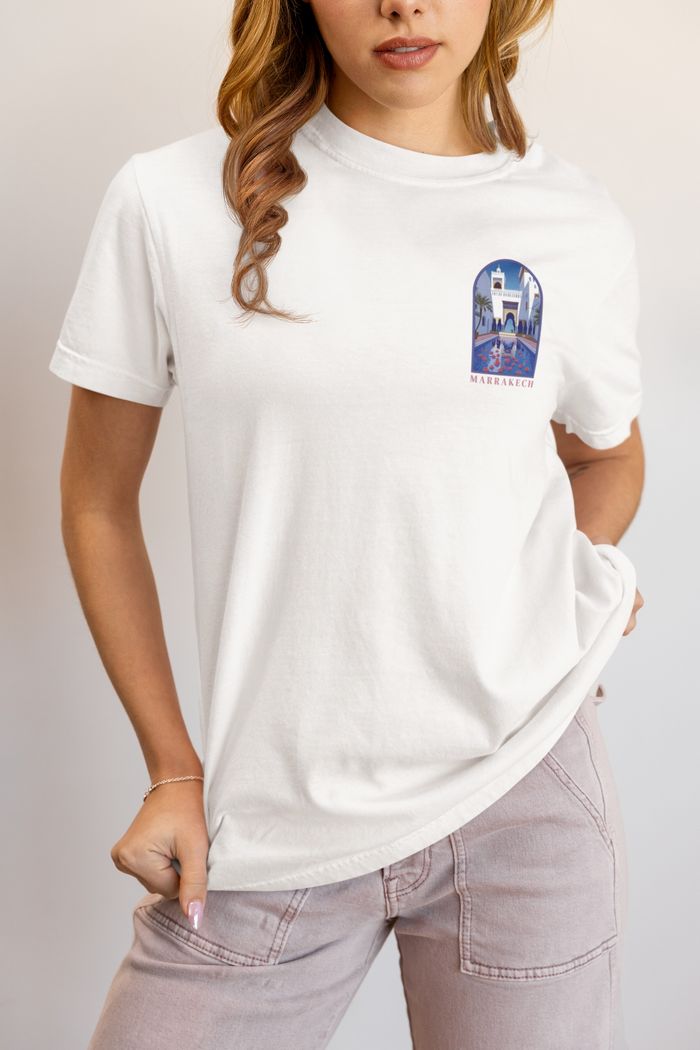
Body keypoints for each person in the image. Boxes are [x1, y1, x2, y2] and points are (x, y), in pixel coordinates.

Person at [48, 0, 645, 1047]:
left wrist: (570, 570)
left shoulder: (570, 221)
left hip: (525, 796)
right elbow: (98, 500)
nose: (403, 5)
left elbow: (605, 451)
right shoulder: (171, 201)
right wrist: (172, 771)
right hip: (269, 823)